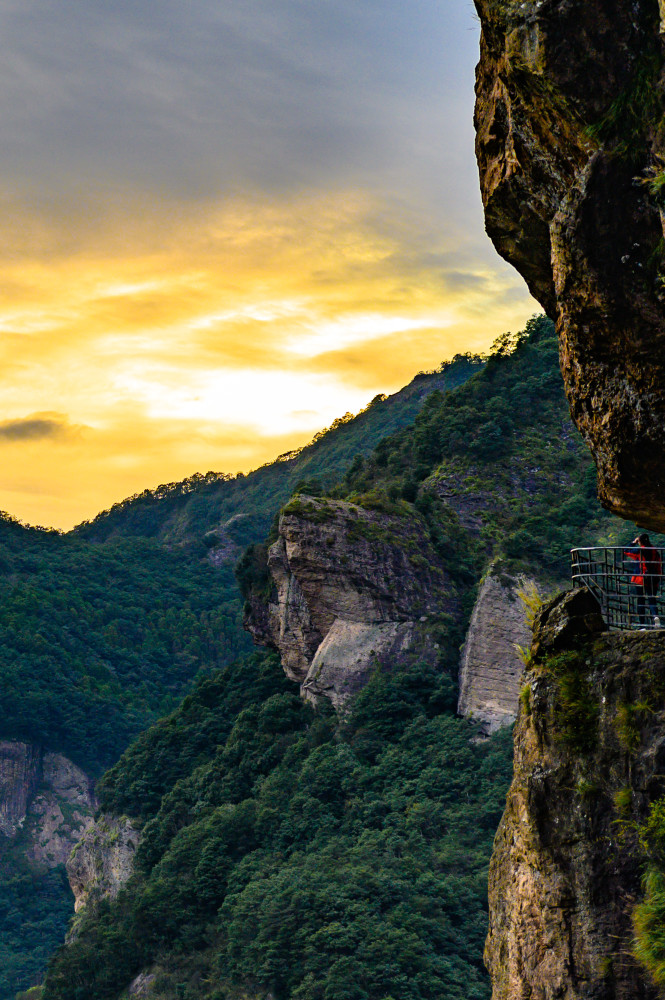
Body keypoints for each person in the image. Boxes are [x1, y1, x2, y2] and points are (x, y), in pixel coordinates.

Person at [625, 533, 663, 627]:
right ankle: (655, 616)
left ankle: (642, 625)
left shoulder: (640, 550)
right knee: (652, 599)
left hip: (641, 578)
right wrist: (658, 577)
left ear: (640, 541)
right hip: (653, 578)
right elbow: (658, 564)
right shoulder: (655, 551)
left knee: (640, 600)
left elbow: (626, 551)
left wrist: (633, 542)